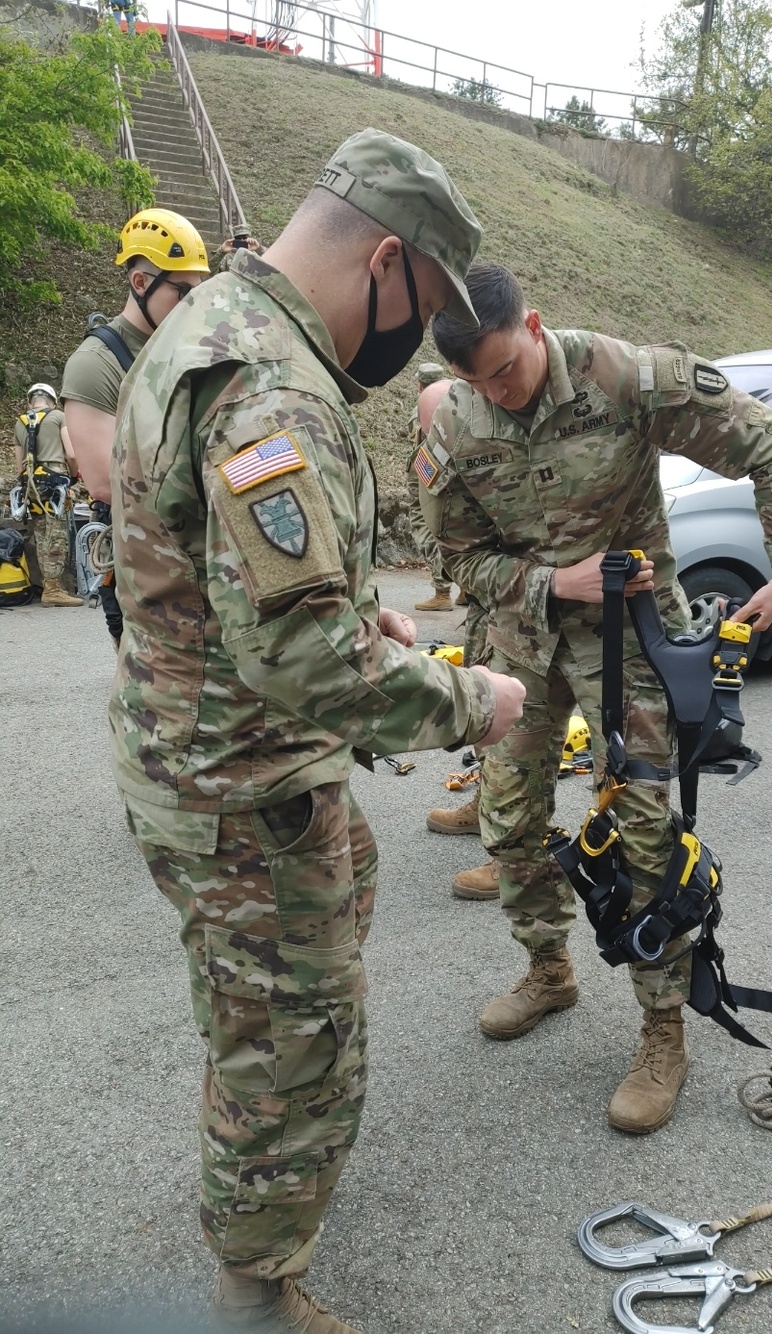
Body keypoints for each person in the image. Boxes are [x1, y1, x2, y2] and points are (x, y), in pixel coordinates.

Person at [109, 129, 525, 1333]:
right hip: (240, 781)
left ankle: (263, 1115)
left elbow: (214, 565)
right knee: (297, 1039)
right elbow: (294, 651)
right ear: (385, 261)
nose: (414, 341)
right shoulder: (274, 386)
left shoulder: (207, 322)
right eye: (426, 303)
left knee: (318, 932)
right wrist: (471, 703)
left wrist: (361, 613)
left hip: (206, 749)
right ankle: (255, 1288)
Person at [421, 261, 772, 1135]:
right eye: (476, 380)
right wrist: (548, 582)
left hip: (633, 634)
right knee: (510, 815)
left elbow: (771, 443)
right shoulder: (453, 419)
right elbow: (456, 560)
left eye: (506, 370)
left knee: (643, 829)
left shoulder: (625, 377)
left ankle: (662, 1028)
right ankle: (547, 969)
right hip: (524, 638)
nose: (498, 392)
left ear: (533, 326)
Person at [61, 207, 210, 647]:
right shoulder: (96, 364)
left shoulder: (191, 350)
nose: (191, 306)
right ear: (141, 283)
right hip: (145, 570)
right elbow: (107, 482)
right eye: (181, 292)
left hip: (204, 558)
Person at [415, 376, 501, 901]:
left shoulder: (497, 446)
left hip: (519, 602)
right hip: (485, 600)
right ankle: (488, 807)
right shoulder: (435, 456)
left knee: (519, 730)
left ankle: (513, 848)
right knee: (484, 712)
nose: (436, 437)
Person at [12, 384, 82, 607]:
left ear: (31, 401)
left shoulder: (20, 422)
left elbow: (19, 468)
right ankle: (53, 589)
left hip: (31, 485)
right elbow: (71, 454)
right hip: (54, 481)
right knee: (56, 532)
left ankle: (49, 585)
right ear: (52, 401)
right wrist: (73, 477)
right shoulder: (59, 417)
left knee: (41, 533)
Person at [408, 361, 457, 610]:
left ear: (419, 384)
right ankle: (468, 589)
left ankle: (442, 590)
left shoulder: (421, 408)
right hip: (450, 475)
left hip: (427, 475)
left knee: (425, 524)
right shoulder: (456, 405)